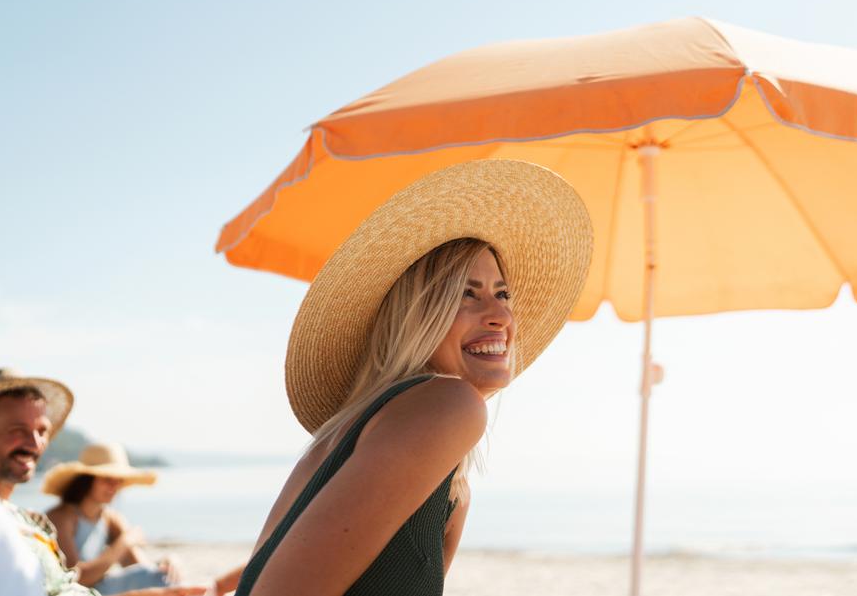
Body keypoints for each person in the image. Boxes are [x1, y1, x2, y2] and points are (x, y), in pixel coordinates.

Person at [234, 159, 593, 596]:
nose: (501, 316)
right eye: (466, 294)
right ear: (417, 315)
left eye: (503, 294)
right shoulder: (448, 406)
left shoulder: (381, 440)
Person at [0, 367, 204, 596]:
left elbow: (137, 568)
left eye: (42, 431)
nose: (35, 442)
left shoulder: (30, 523)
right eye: (17, 429)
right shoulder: (54, 518)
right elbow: (79, 577)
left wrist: (167, 563)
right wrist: (125, 544)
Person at [42, 442, 180, 594]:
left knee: (164, 576)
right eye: (107, 479)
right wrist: (124, 543)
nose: (114, 487)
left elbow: (141, 567)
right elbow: (73, 579)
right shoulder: (61, 517)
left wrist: (167, 562)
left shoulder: (110, 518)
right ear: (87, 480)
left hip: (99, 590)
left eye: (119, 480)